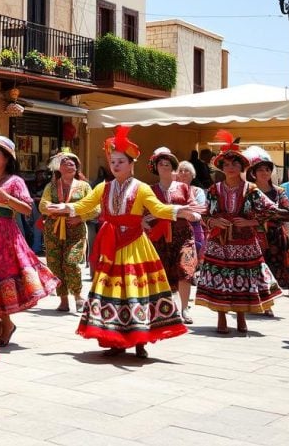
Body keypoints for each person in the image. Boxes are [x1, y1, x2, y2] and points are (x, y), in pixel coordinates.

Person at [45, 126, 200, 359]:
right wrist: (66, 207)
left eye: (120, 161)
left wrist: (179, 210)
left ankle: (140, 341)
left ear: (131, 164)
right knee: (113, 291)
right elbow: (86, 205)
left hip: (135, 245)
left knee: (135, 289)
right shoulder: (102, 187)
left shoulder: (141, 188)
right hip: (111, 243)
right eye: (113, 161)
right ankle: (115, 339)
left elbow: (157, 209)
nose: (115, 165)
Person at [0, 133, 60, 346]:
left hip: (4, 236)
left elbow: (27, 209)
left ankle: (6, 324)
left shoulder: (15, 181)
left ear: (7, 158)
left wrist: (7, 198)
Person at [195, 132, 282, 334]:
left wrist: (250, 221)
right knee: (221, 279)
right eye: (226, 164)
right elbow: (203, 214)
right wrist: (214, 220)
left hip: (244, 243)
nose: (231, 167)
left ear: (242, 167)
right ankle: (221, 318)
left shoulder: (251, 190)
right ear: (221, 168)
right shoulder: (214, 190)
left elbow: (271, 211)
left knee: (242, 279)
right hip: (219, 242)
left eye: (235, 163)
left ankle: (241, 317)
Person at [144, 147, 200, 324]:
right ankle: (166, 308)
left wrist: (191, 215)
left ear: (173, 166)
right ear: (155, 168)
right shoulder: (149, 189)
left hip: (183, 235)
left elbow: (194, 210)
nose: (164, 165)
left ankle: (184, 309)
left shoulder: (183, 188)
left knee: (185, 270)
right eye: (160, 163)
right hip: (158, 237)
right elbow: (144, 214)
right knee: (162, 273)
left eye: (167, 162)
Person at [39, 149, 97, 313]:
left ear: (77, 168)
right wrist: (59, 211)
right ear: (58, 167)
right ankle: (63, 300)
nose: (69, 165)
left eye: (73, 163)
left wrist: (80, 217)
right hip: (53, 230)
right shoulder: (51, 186)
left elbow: (95, 208)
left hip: (76, 229)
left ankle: (78, 295)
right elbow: (43, 206)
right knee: (55, 265)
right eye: (65, 162)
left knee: (71, 262)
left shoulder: (84, 186)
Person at [244, 146, 289, 309]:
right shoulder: (247, 191)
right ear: (253, 173)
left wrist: (260, 217)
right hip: (252, 238)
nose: (264, 172)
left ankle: (267, 304)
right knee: (255, 271)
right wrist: (271, 213)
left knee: (273, 272)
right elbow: (244, 214)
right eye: (260, 169)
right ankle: (259, 303)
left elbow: (287, 214)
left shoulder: (279, 191)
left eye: (267, 169)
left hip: (276, 238)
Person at [175, 161, 208, 265]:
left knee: (193, 260)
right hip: (174, 229)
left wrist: (176, 210)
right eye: (181, 170)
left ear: (193, 175)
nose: (184, 173)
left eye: (187, 170)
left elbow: (200, 208)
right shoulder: (171, 190)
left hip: (195, 228)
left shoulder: (198, 191)